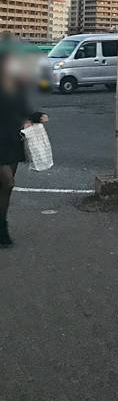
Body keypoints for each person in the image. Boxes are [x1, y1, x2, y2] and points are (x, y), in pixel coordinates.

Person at [0, 35, 49, 247]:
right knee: (7, 181)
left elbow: (21, 108)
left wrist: (35, 115)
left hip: (12, 137)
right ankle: (1, 227)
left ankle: (1, 224)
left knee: (7, 188)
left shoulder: (17, 82)